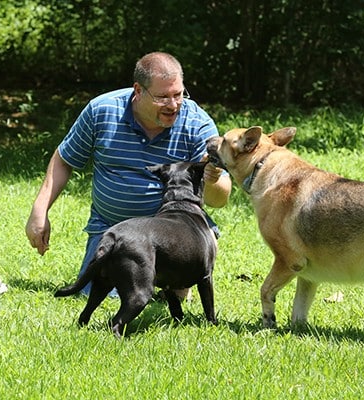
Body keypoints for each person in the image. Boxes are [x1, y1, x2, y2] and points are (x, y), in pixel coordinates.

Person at [25, 52, 232, 296]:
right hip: (116, 231)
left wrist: (213, 177)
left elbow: (220, 200)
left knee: (163, 294)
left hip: (174, 234)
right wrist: (39, 211)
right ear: (138, 90)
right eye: (163, 97)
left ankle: (175, 279)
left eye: (178, 94)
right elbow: (64, 159)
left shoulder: (197, 123)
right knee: (105, 295)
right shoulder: (102, 111)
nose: (174, 104)